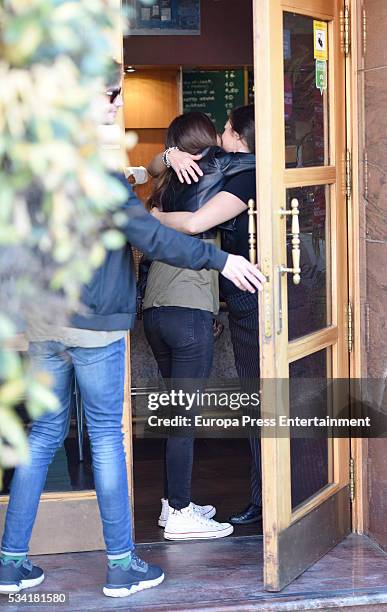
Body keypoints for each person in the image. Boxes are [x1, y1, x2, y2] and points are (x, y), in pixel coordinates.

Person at [0, 80, 266, 598]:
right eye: (109, 94)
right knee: (105, 439)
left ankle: (10, 563)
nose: (118, 103)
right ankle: (122, 565)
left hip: (43, 323)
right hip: (92, 324)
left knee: (42, 437)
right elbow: (150, 236)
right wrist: (223, 259)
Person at [142, 111, 256, 541]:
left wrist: (167, 159)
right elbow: (194, 225)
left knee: (175, 411)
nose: (222, 136)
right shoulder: (217, 172)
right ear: (208, 142)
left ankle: (173, 505)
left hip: (156, 308)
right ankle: (179, 511)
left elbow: (151, 169)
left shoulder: (170, 179)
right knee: (183, 416)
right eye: (218, 131)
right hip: (188, 308)